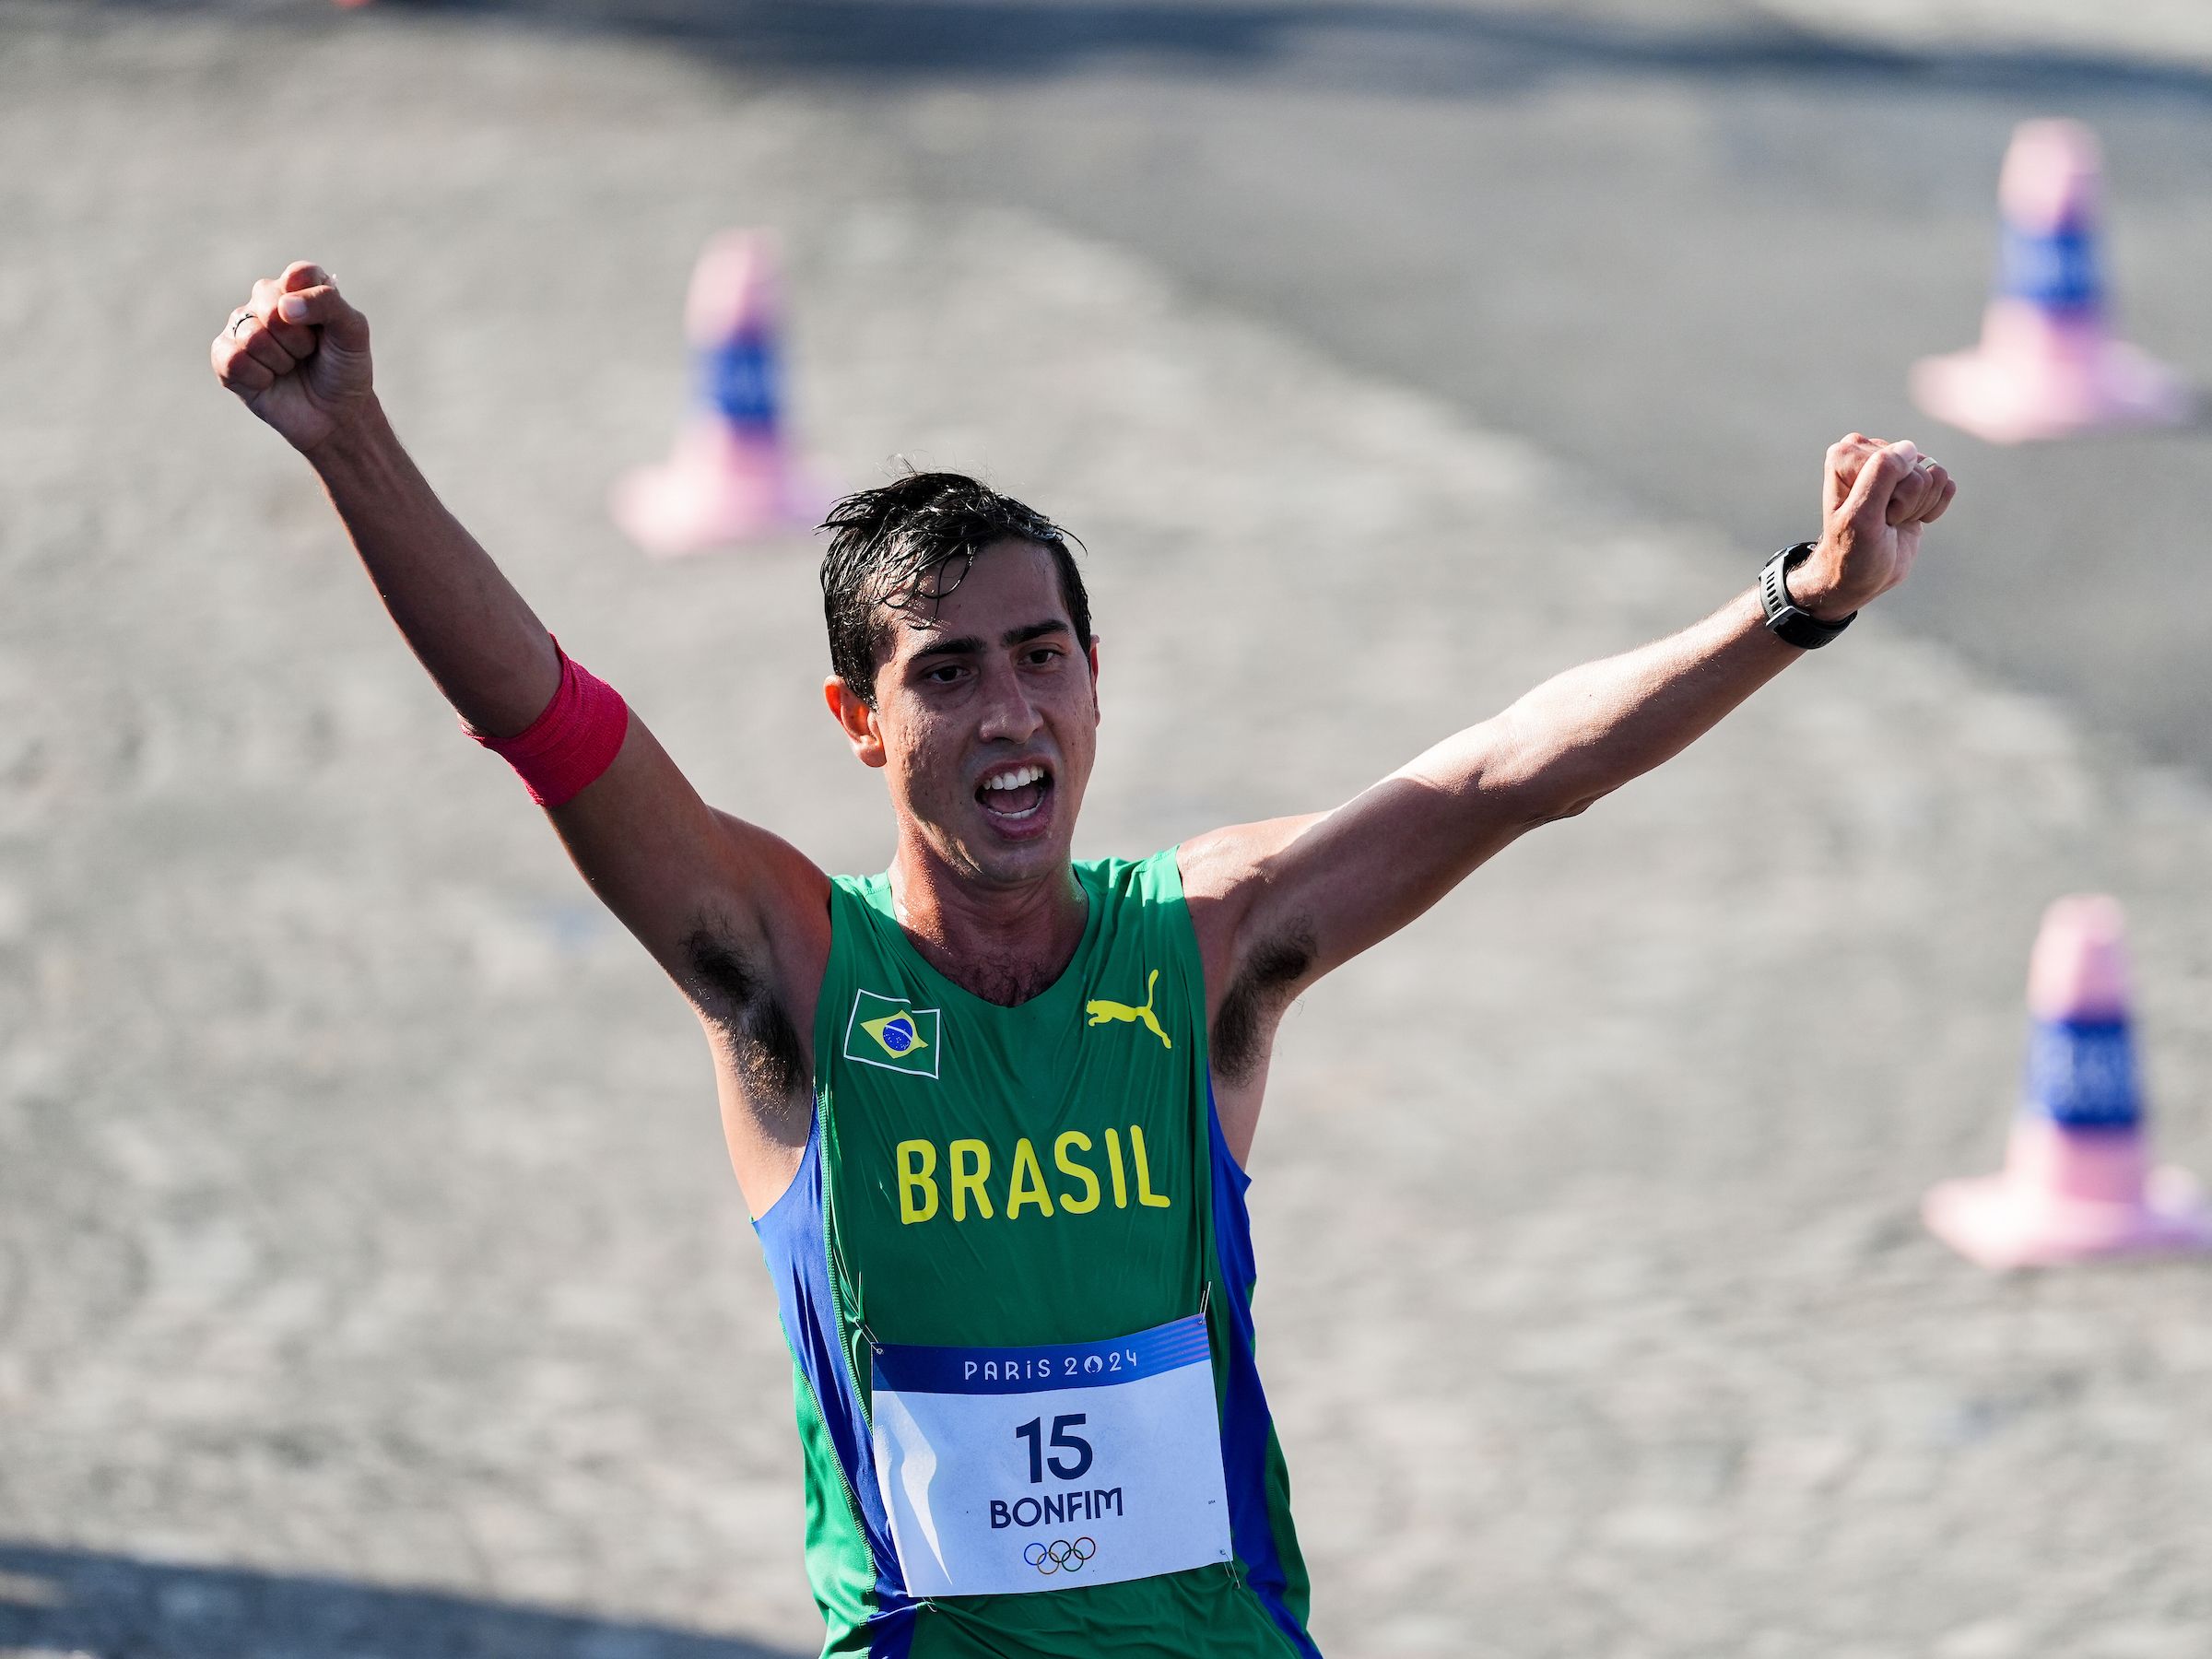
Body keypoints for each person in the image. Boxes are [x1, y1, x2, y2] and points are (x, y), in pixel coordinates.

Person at [211, 260, 1955, 1659]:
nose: (1009, 711)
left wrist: (1801, 598)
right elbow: (550, 721)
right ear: (857, 721)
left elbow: (1509, 771)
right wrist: (353, 448)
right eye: (946, 673)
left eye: (1041, 656)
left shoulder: (1201, 942)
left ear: (1098, 679)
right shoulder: (791, 975)